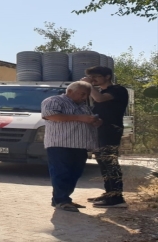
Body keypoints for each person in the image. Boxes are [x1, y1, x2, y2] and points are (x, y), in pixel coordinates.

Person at [41, 81, 101, 212]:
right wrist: (81, 118)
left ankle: (62, 199)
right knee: (61, 172)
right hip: (60, 144)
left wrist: (94, 121)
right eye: (82, 94)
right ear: (70, 91)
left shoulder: (83, 106)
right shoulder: (54, 101)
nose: (85, 98)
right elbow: (51, 115)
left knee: (75, 173)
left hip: (80, 145)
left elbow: (87, 120)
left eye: (87, 95)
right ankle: (61, 200)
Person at [82, 66, 130, 208]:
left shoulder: (118, 90)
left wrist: (88, 85)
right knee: (102, 163)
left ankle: (117, 198)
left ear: (108, 76)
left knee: (110, 162)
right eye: (91, 77)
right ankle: (109, 193)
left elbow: (100, 99)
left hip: (111, 130)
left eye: (96, 76)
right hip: (100, 130)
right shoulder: (101, 91)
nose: (93, 80)